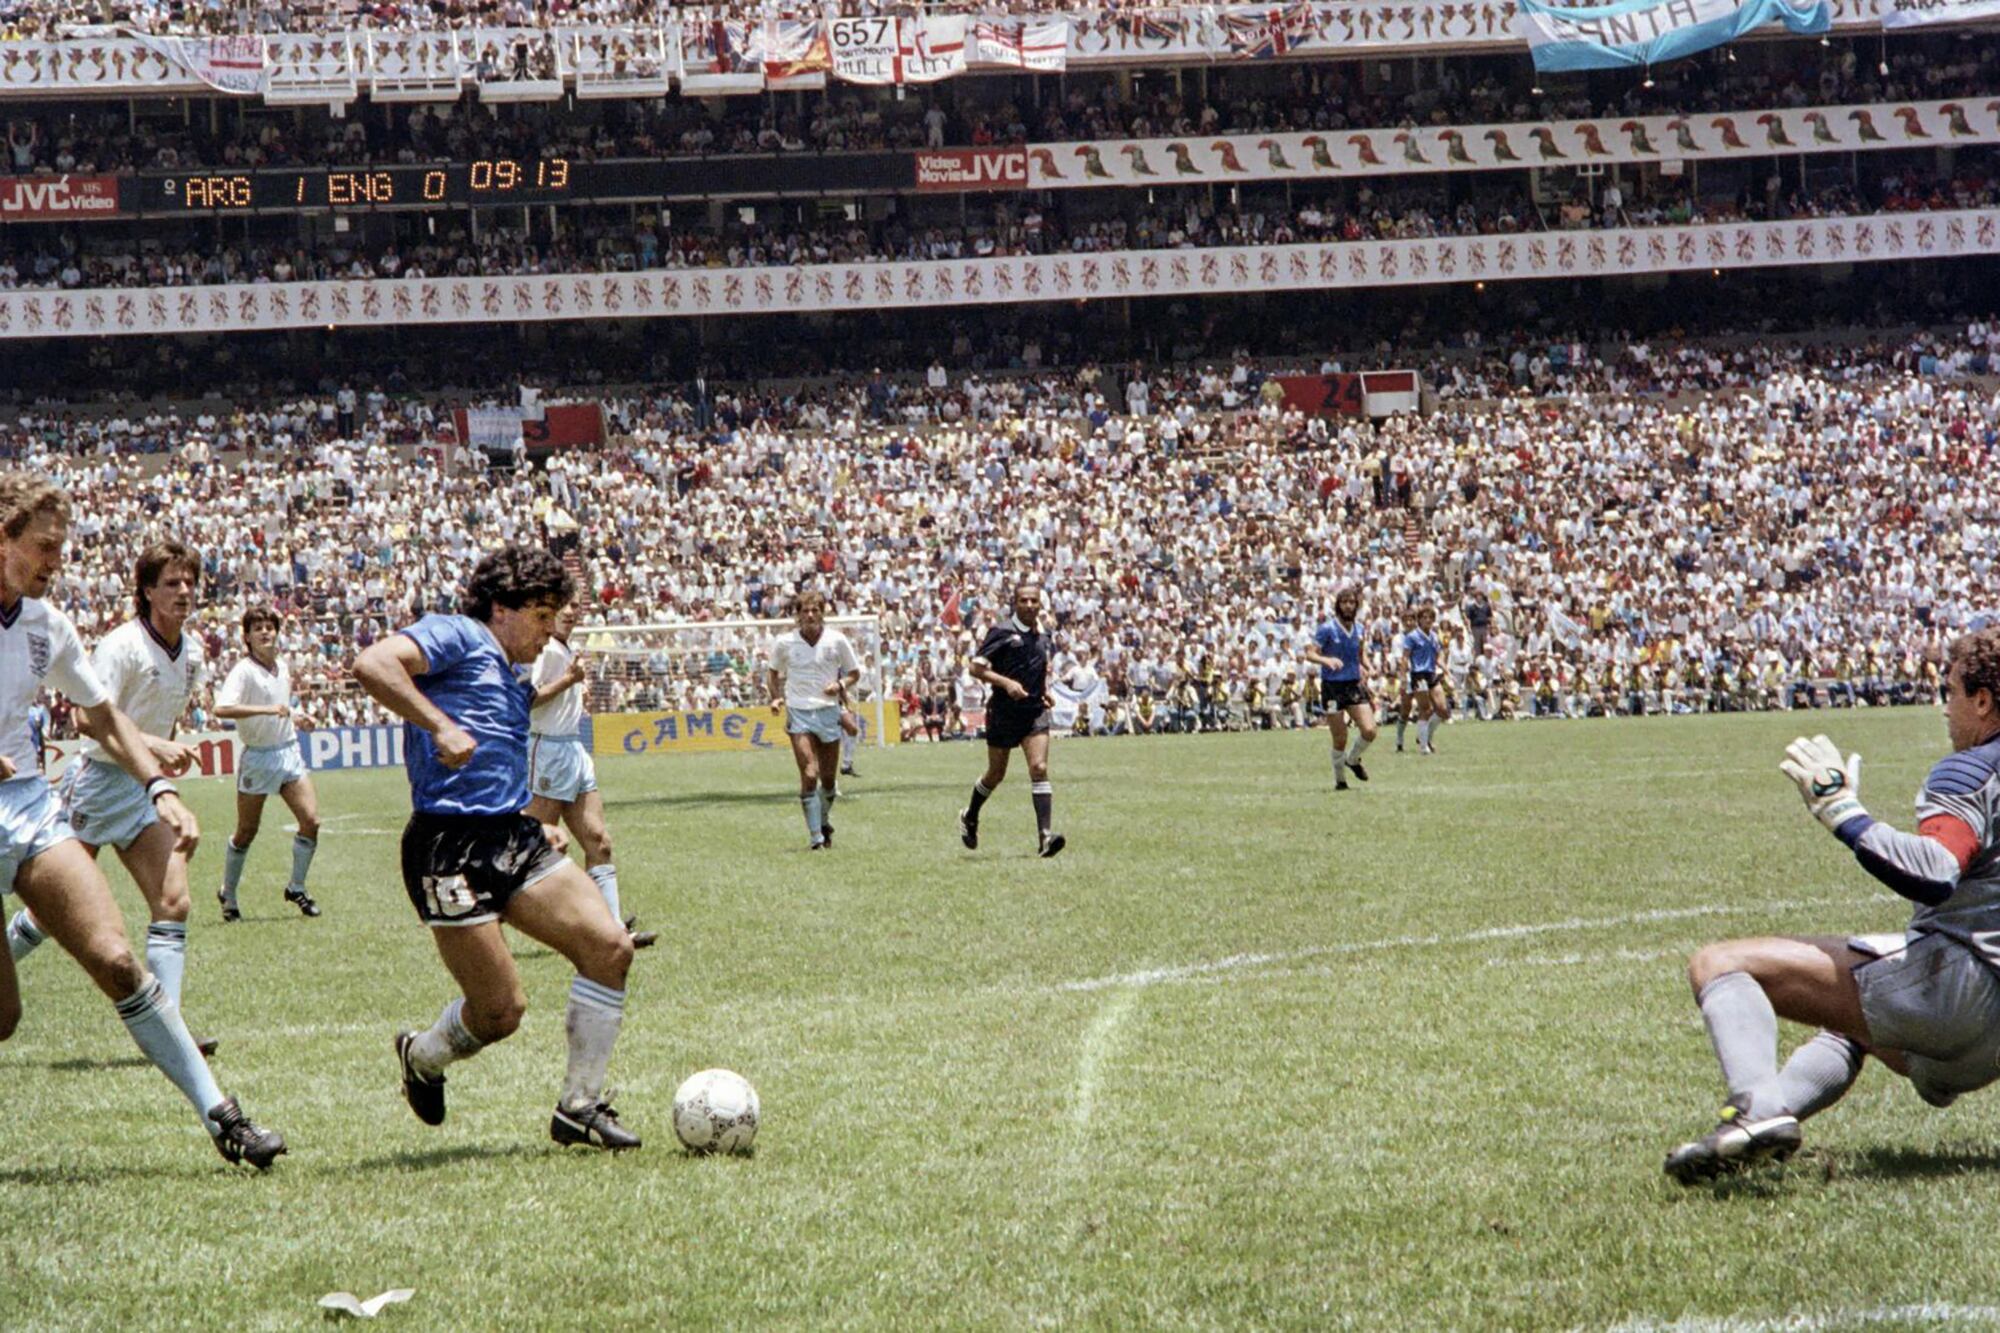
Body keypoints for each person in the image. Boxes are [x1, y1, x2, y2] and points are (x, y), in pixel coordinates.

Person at [0, 472, 284, 1167]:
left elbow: (102, 716)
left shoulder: (47, 625)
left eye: (61, 548)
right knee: (4, 1017)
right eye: (42, 546)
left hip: (28, 806)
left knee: (119, 959)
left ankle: (223, 1116)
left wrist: (158, 784)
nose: (55, 562)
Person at [1664, 625, 2000, 1184]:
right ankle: (1757, 1129)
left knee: (1719, 964)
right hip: (1990, 1048)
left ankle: (1756, 1111)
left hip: (1958, 1000)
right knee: (1848, 1023)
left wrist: (1841, 809)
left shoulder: (1970, 769)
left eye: (1951, 692)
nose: (1946, 710)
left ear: (1983, 700)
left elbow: (1934, 871)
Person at [356, 545, 639, 1151]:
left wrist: (534, 819)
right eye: (540, 614)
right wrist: (438, 725)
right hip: (445, 848)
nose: (548, 628)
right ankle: (423, 1056)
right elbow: (373, 664)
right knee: (500, 1013)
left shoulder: (513, 674)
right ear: (501, 608)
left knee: (610, 948)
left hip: (510, 836)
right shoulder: (457, 634)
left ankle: (579, 1107)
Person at [9, 540, 220, 1054]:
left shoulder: (191, 653)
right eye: (171, 583)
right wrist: (153, 748)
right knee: (49, 914)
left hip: (140, 790)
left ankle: (168, 1033)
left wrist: (157, 766)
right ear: (147, 592)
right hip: (98, 783)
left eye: (190, 582)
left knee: (173, 900)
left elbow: (160, 717)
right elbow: (86, 719)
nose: (184, 591)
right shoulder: (123, 645)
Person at [524, 601, 654, 949]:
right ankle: (487, 909)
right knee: (536, 848)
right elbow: (526, 699)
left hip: (573, 749)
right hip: (547, 750)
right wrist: (570, 680)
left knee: (599, 841)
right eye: (562, 606)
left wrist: (573, 689)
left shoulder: (564, 649)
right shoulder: (545, 650)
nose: (569, 613)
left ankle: (612, 931)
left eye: (575, 607)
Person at [212, 606, 322, 921]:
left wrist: (300, 717)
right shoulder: (243, 671)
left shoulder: (282, 667)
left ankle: (297, 887)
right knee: (246, 831)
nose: (265, 632)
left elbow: (282, 707)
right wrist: (265, 710)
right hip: (258, 758)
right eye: (257, 627)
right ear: (247, 637)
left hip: (288, 752)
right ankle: (228, 894)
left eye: (269, 627)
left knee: (311, 821)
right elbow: (222, 709)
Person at [959, 584, 1065, 858]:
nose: (1029, 605)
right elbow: (975, 667)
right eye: (1024, 600)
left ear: (1040, 604)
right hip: (1004, 713)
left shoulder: (1043, 636)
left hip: (1033, 712)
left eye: (1034, 600)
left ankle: (1045, 838)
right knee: (996, 774)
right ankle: (970, 815)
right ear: (1015, 603)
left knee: (1039, 767)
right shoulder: (1002, 632)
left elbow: (1035, 670)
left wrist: (1044, 693)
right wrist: (1006, 683)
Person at [765, 591, 860, 852]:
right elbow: (772, 672)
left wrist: (839, 684)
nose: (810, 615)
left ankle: (824, 820)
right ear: (798, 615)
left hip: (829, 710)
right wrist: (775, 698)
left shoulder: (836, 640)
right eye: (805, 611)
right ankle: (816, 837)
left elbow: (854, 673)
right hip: (798, 711)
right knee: (809, 773)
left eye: (815, 610)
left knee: (828, 780)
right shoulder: (785, 642)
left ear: (822, 613)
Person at [1303, 588, 1378, 792]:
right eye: (1344, 602)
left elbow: (1361, 655)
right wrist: (1325, 660)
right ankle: (1340, 781)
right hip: (1332, 687)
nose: (1348, 606)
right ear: (1338, 605)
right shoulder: (1327, 628)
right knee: (1340, 737)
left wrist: (1369, 667)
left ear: (1356, 605)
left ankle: (1352, 760)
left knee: (1370, 730)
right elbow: (1309, 654)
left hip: (1353, 685)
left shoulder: (1360, 629)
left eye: (1351, 602)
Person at [1397, 606, 1446, 756]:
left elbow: (1438, 654)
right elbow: (1405, 657)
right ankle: (1423, 746)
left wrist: (1445, 668)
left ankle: (1423, 736)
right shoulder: (1411, 637)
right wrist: (1403, 677)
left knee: (1443, 710)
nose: (1427, 620)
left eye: (1430, 617)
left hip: (1431, 674)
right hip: (1418, 675)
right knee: (1423, 709)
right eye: (1424, 617)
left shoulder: (1434, 636)